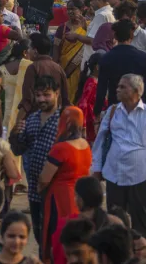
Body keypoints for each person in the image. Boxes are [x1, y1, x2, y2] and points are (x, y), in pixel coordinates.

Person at [90, 74, 146, 239]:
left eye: (123, 87)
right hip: (114, 174)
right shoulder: (112, 111)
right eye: (118, 86)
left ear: (136, 91)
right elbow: (100, 140)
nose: (117, 90)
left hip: (140, 176)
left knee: (140, 222)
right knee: (114, 221)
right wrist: (96, 167)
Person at [9, 75, 62, 245]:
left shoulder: (64, 120)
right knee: (40, 237)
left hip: (57, 191)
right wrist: (15, 134)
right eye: (38, 95)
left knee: (56, 237)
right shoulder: (31, 120)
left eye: (46, 95)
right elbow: (18, 150)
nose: (42, 99)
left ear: (57, 93)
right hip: (34, 191)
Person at [39, 106, 92, 261]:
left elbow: (44, 179)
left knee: (57, 235)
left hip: (59, 198)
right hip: (78, 197)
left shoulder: (60, 148)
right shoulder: (85, 144)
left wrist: (38, 190)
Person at [96, 19, 146, 115]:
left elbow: (101, 88)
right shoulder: (142, 57)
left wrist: (97, 112)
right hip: (137, 107)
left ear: (115, 36)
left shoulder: (106, 58)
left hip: (115, 108)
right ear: (131, 36)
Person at [55, 0, 88, 101]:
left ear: (81, 9)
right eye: (68, 9)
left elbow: (91, 42)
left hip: (81, 68)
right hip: (65, 68)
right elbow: (56, 47)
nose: (69, 12)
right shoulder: (62, 28)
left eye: (73, 9)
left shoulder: (89, 26)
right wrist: (56, 67)